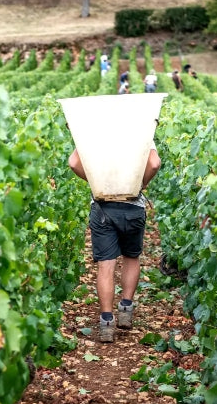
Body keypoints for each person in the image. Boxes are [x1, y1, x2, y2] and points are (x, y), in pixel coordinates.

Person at [67, 145, 161, 343]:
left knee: (106, 265)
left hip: (103, 207)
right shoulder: (140, 127)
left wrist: (95, 182)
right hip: (132, 205)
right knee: (131, 256)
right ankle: (126, 309)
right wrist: (142, 183)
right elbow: (154, 163)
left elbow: (74, 162)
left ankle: (106, 322)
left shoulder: (95, 131)